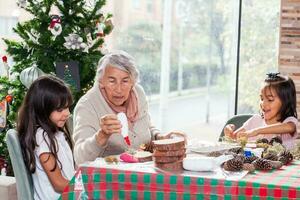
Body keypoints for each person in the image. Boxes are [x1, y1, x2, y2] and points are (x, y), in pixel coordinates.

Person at [73, 50, 185, 165]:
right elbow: (80, 158)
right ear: (101, 81)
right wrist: (102, 135)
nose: (119, 89)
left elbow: (146, 125)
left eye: (125, 81)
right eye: (112, 81)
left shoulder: (138, 93)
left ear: (133, 82)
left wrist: (159, 136)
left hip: (141, 169)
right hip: (107, 177)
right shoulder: (87, 105)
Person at [17, 75, 75, 200]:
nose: (67, 113)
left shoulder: (55, 134)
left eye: (67, 107)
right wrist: (87, 187)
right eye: (60, 109)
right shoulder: (42, 137)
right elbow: (59, 184)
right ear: (42, 109)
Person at [224, 72, 298, 150]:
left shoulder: (288, 122)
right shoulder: (255, 120)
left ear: (285, 102)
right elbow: (235, 137)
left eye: (270, 100)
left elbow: (290, 127)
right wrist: (229, 132)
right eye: (262, 99)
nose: (263, 103)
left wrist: (257, 131)